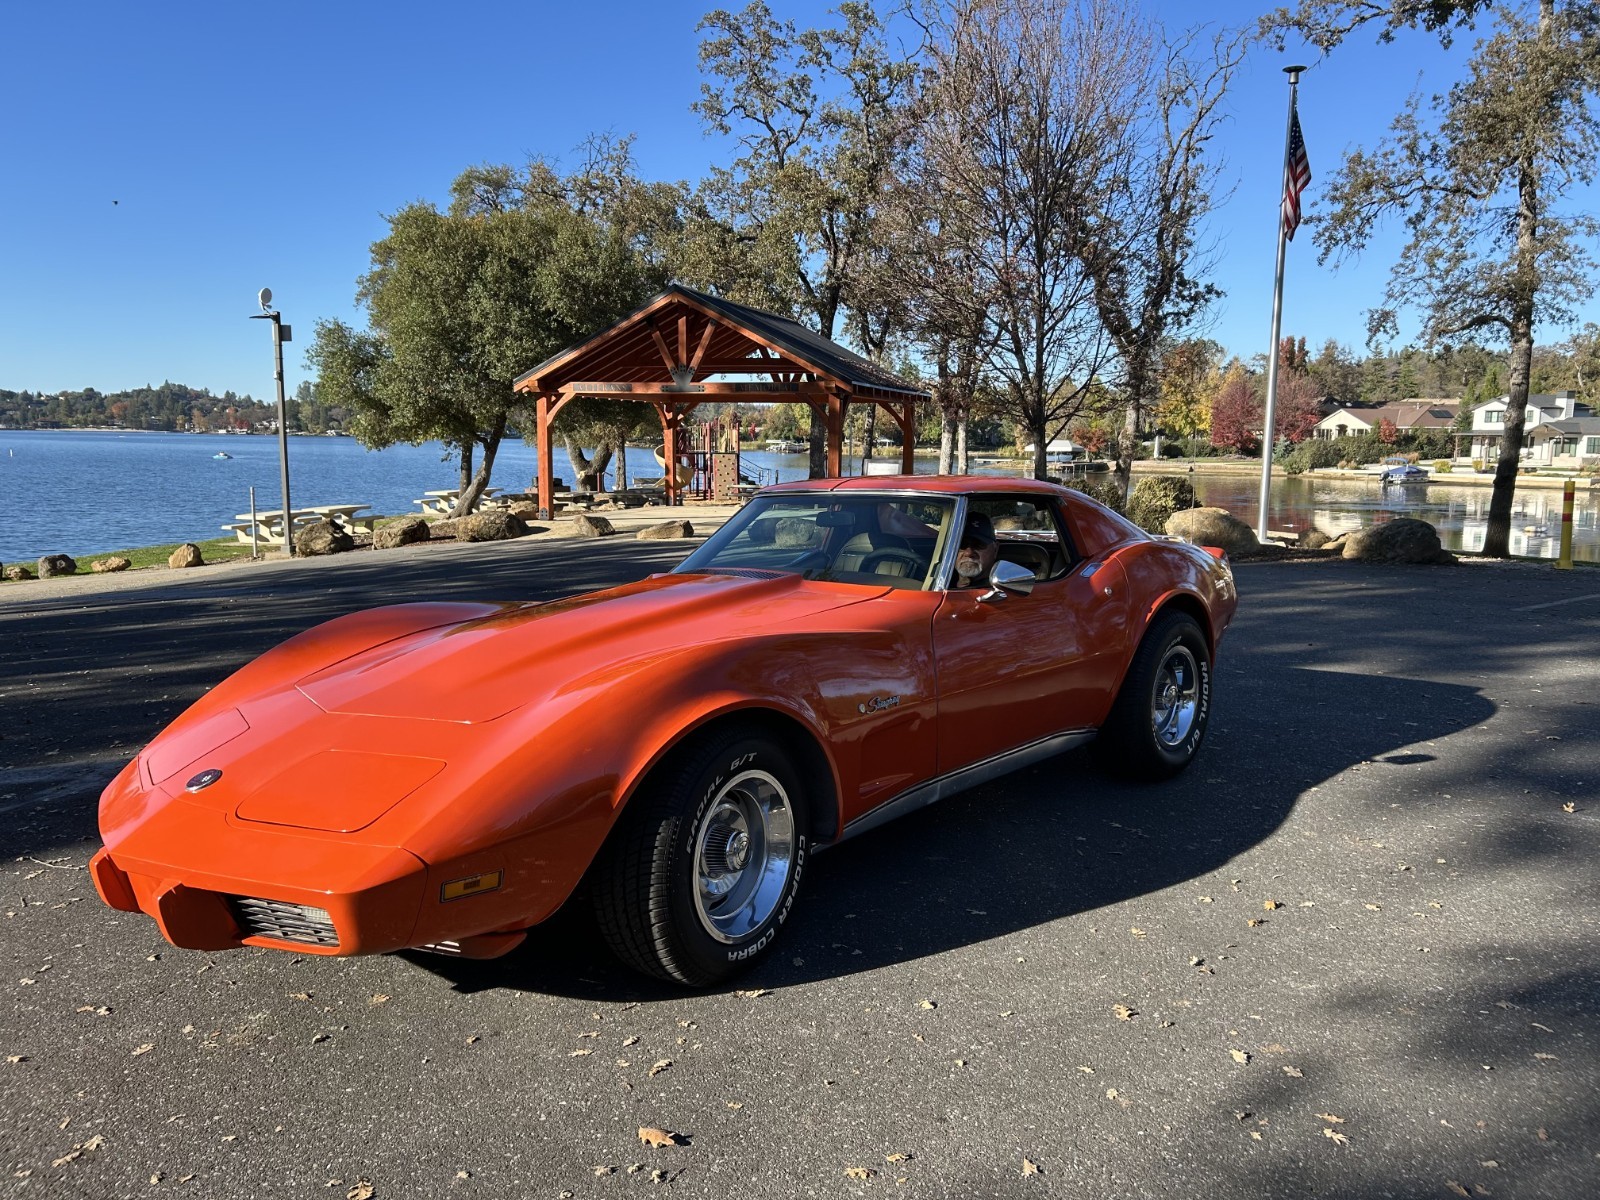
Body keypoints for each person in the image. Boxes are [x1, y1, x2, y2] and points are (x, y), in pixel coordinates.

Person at [953, 511, 998, 587]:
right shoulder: (936, 582)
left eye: (978, 544)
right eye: (961, 544)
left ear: (995, 549)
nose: (968, 553)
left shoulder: (1006, 590)